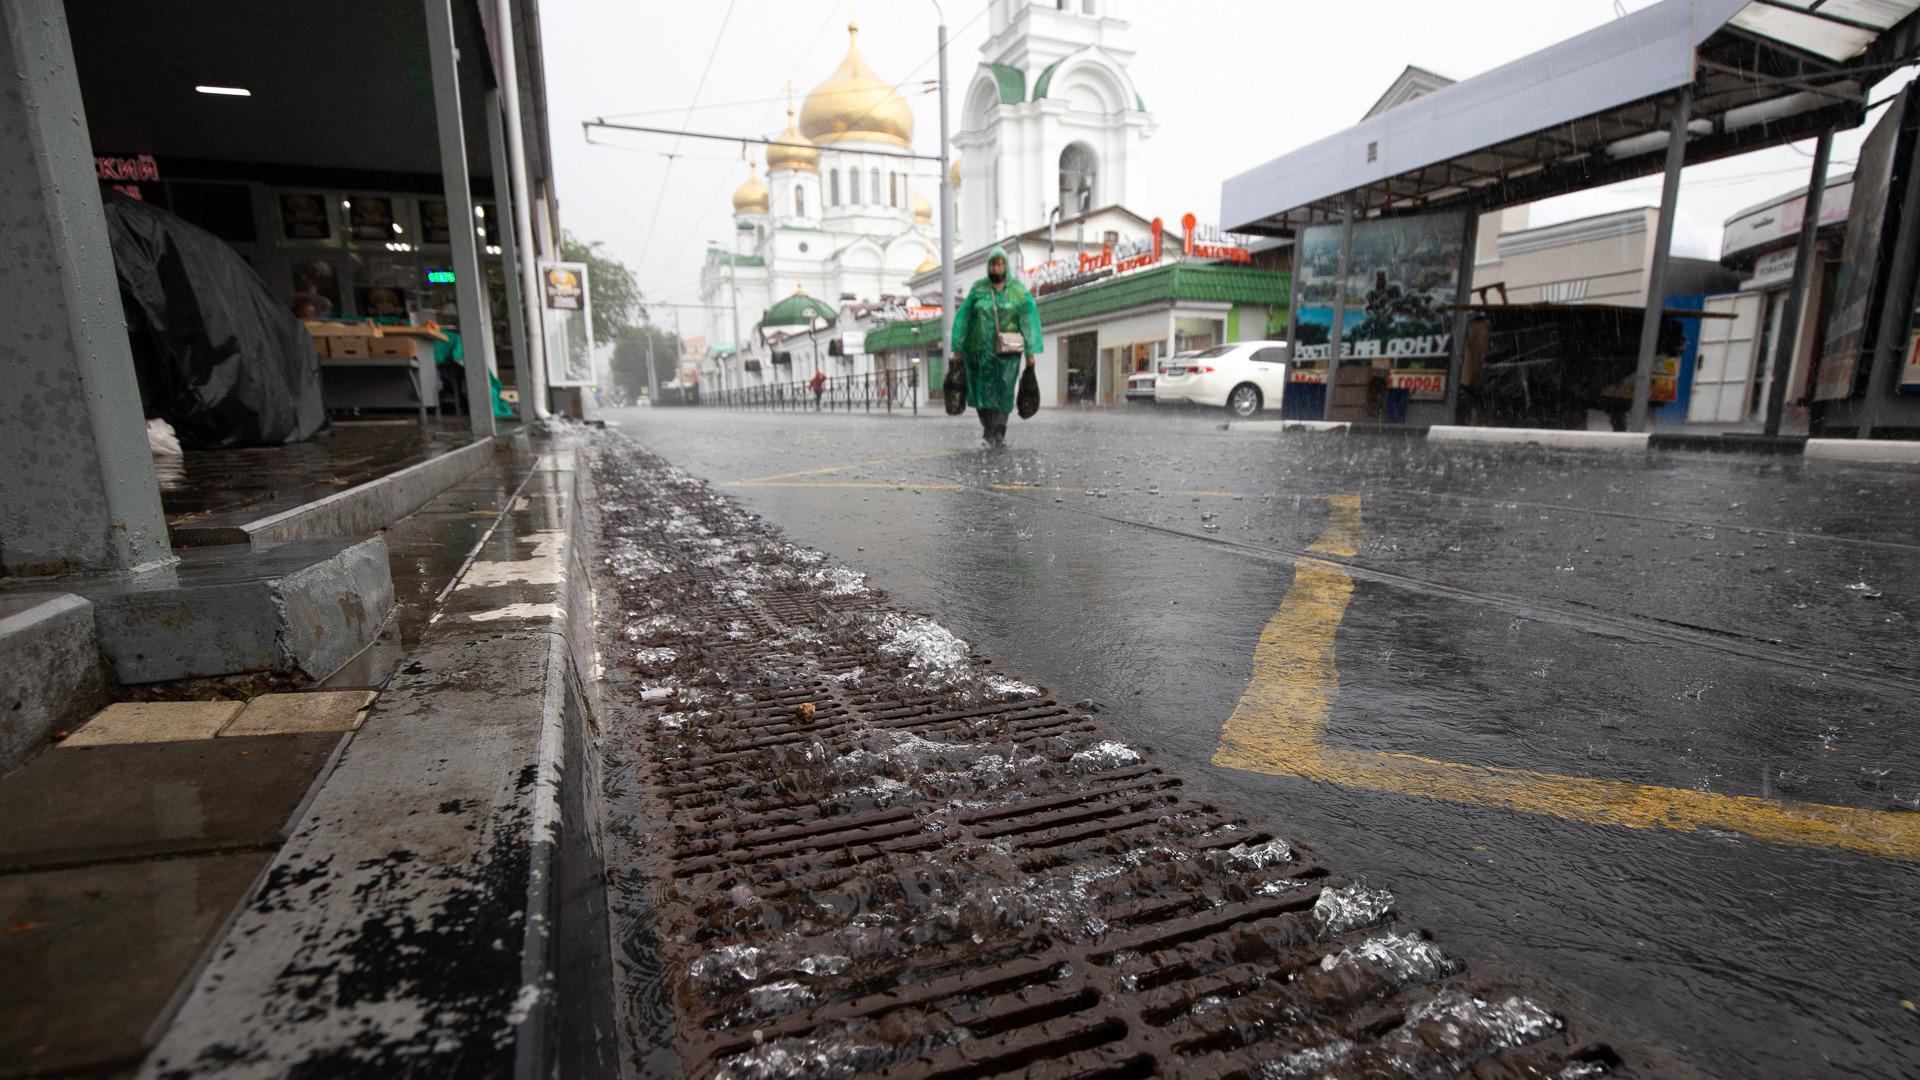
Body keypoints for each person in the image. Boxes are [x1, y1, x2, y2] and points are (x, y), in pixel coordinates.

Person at [951, 246, 1039, 447]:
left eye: (1000, 264)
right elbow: (963, 318)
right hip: (979, 353)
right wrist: (958, 347)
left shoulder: (1017, 290)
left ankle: (998, 431)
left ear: (1006, 265)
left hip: (1007, 354)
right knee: (982, 393)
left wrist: (1030, 352)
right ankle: (988, 428)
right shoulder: (978, 289)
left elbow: (1028, 320)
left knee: (1004, 390)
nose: (996, 268)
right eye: (993, 264)